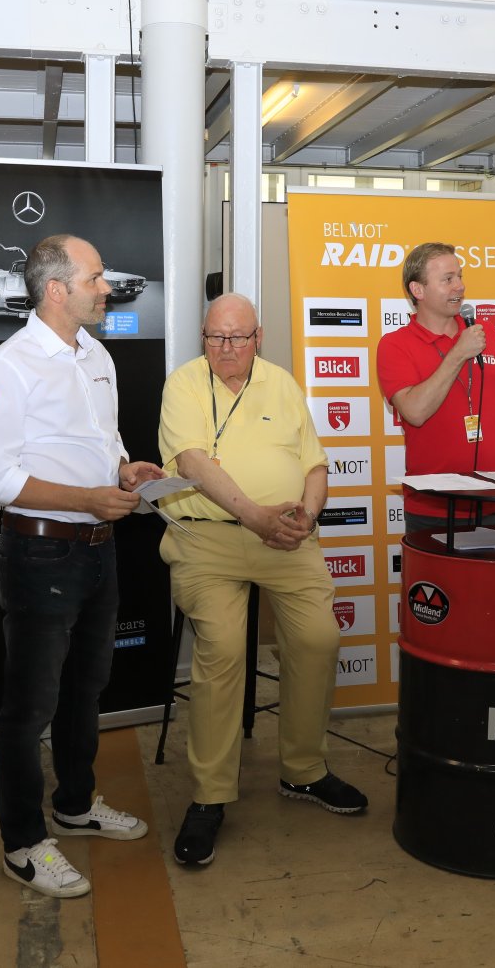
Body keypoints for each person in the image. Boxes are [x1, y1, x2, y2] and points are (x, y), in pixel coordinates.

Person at [0, 234, 166, 899]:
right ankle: (22, 843)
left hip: (99, 548)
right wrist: (85, 499)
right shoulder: (6, 370)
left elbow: (103, 441)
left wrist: (124, 470)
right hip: (41, 552)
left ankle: (75, 803)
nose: (106, 287)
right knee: (30, 705)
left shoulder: (95, 354)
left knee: (86, 687)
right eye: (95, 278)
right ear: (56, 289)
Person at [157, 294, 368, 867]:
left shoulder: (282, 384)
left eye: (238, 337)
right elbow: (192, 463)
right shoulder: (184, 384)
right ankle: (210, 795)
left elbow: (315, 464)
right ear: (203, 336)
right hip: (208, 542)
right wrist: (257, 518)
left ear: (259, 337)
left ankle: (303, 770)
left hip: (287, 538)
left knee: (319, 638)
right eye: (215, 337)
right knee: (224, 647)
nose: (226, 348)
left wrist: (308, 516)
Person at [376, 241, 495, 531]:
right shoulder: (394, 345)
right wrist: (458, 353)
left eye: (460, 276)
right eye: (447, 279)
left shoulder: (484, 332)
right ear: (418, 290)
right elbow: (415, 412)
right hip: (435, 508)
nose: (460, 286)